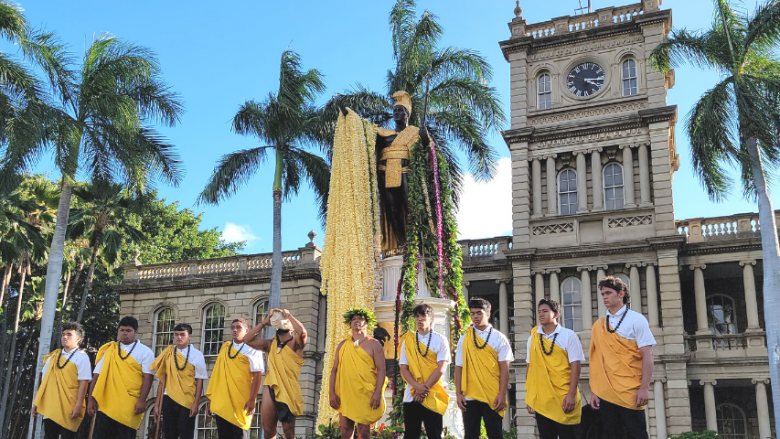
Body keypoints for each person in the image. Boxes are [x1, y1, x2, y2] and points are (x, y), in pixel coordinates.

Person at [589, 276, 656, 439]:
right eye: (602, 293)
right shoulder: (599, 325)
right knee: (611, 435)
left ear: (621, 294)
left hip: (630, 391)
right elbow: (597, 361)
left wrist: (644, 388)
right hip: (606, 393)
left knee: (637, 434)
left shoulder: (637, 320)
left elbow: (647, 356)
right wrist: (595, 391)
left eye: (608, 293)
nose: (604, 296)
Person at [87, 316, 155, 439]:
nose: (124, 334)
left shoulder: (146, 352)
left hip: (129, 403)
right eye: (122, 330)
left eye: (128, 331)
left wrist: (142, 400)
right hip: (106, 402)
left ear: (136, 332)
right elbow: (97, 375)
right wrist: (91, 399)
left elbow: (148, 378)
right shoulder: (109, 350)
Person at [455, 298, 514, 439]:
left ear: (488, 314)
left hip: (492, 395)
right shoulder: (464, 339)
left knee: (495, 434)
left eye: (479, 313)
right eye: (473, 313)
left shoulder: (499, 338)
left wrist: (502, 394)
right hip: (469, 394)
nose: (475, 316)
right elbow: (459, 367)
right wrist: (458, 393)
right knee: (470, 434)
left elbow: (504, 369)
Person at [525, 299, 584, 439]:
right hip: (543, 400)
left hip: (564, 397)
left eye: (545, 311)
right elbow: (530, 368)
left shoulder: (569, 335)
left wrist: (571, 395)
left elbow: (575, 366)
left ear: (556, 314)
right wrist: (530, 396)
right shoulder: (532, 338)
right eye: (539, 312)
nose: (541, 315)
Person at [244, 308, 307, 439]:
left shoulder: (296, 343)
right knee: (268, 430)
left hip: (288, 388)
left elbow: (302, 332)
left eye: (286, 321)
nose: (283, 322)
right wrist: (264, 323)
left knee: (288, 430)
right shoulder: (270, 344)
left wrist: (289, 316)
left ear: (292, 328)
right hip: (270, 385)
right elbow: (247, 340)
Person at [328, 307, 387, 439]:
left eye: (360, 318)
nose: (356, 321)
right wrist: (331, 393)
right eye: (353, 319)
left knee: (364, 431)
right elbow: (334, 370)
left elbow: (382, 370)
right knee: (345, 430)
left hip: (365, 393)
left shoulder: (374, 344)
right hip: (346, 392)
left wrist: (377, 393)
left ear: (367, 323)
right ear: (350, 324)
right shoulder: (342, 345)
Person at [205, 318, 265, 439]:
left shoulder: (253, 349)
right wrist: (211, 400)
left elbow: (257, 374)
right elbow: (217, 376)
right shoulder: (225, 348)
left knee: (239, 435)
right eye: (233, 328)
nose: (235, 330)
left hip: (241, 400)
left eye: (239, 328)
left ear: (247, 331)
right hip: (222, 401)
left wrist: (252, 399)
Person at [31, 322, 92, 439]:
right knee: (49, 436)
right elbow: (44, 381)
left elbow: (83, 383)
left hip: (70, 406)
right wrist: (37, 402)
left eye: (69, 335)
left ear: (78, 339)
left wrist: (79, 405)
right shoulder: (53, 357)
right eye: (63, 334)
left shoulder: (82, 357)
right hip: (51, 405)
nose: (65, 337)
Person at [399, 304, 450, 439]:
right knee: (411, 434)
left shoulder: (440, 340)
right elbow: (404, 368)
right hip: (412, 394)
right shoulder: (407, 341)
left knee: (434, 434)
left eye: (423, 316)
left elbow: (442, 367)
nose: (420, 319)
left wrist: (424, 388)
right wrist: (417, 387)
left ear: (431, 318)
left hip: (432, 393)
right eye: (417, 316)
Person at [151, 323, 208, 439]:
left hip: (187, 399)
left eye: (182, 334)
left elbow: (200, 380)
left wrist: (196, 403)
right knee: (169, 433)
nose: (179, 337)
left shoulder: (197, 355)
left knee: (186, 433)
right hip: (168, 397)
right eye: (176, 335)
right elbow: (162, 380)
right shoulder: (168, 353)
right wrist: (157, 404)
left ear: (189, 336)